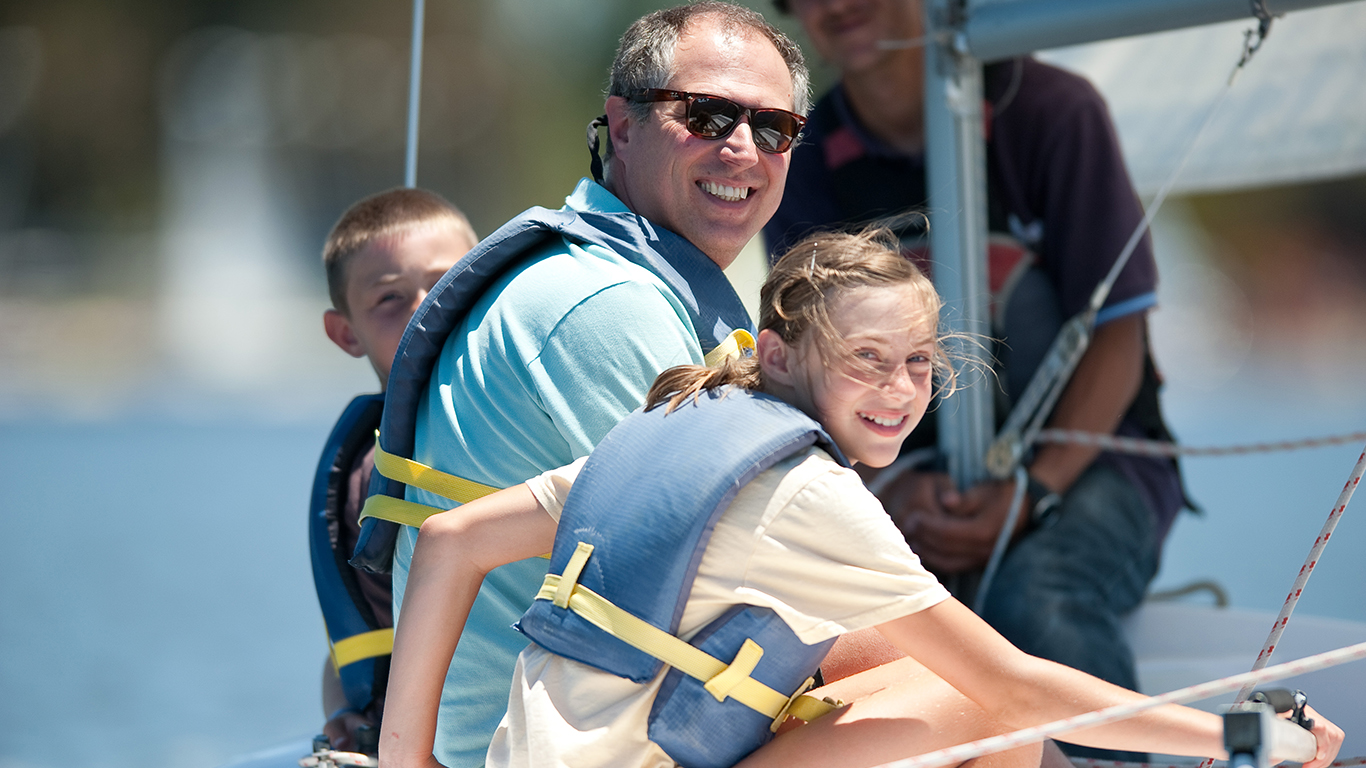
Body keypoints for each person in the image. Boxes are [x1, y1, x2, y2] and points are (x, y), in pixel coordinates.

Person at [378, 230, 1343, 768]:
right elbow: (1013, 690)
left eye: (919, 364)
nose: (898, 391)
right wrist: (1243, 737)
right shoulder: (808, 494)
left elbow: (456, 538)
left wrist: (409, 761)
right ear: (783, 356)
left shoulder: (676, 419)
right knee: (989, 706)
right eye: (866, 362)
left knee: (911, 659)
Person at [355, 5, 812, 766]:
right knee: (988, 711)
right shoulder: (604, 304)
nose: (742, 148)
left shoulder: (624, 280)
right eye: (706, 115)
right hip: (540, 750)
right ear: (623, 128)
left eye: (774, 128)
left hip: (576, 731)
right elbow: (736, 585)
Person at [763, 1, 1187, 756]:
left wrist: (1036, 488)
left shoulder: (1055, 115)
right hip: (902, 472)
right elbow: (815, 365)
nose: (834, 5)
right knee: (829, 625)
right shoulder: (804, 157)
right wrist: (890, 491)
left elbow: (1119, 335)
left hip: (1097, 461)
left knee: (1040, 594)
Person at [310, 188, 478, 751]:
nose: (426, 306)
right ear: (345, 334)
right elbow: (358, 644)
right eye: (390, 298)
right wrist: (343, 710)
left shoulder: (508, 422)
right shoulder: (375, 473)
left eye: (448, 280)